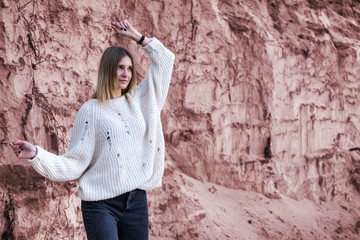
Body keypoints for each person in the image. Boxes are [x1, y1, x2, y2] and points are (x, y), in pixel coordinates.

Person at [9, 19, 175, 240]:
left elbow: (165, 61)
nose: (126, 73)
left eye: (129, 68)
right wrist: (37, 155)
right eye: (120, 67)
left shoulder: (140, 100)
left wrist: (138, 38)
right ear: (108, 70)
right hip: (100, 205)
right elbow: (75, 162)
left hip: (136, 201)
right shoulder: (91, 111)